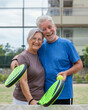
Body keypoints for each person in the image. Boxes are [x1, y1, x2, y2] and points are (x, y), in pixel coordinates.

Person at [11, 15, 83, 105]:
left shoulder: (67, 44)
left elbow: (79, 64)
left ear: (55, 27)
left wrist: (66, 73)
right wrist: (15, 58)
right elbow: (27, 53)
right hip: (45, 96)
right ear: (41, 33)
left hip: (64, 94)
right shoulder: (40, 45)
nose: (48, 31)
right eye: (44, 29)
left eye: (50, 27)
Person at [12, 28, 45, 105]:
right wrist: (30, 100)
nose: (36, 42)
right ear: (28, 40)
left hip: (39, 100)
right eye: (34, 38)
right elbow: (23, 81)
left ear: (42, 42)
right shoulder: (23, 57)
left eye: (39, 39)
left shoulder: (39, 54)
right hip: (24, 101)